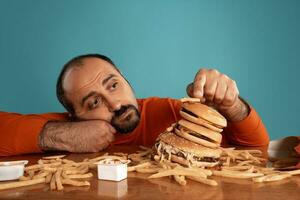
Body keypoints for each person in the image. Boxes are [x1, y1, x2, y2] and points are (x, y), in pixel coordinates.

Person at [0, 54, 269, 156]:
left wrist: (231, 105)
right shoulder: (65, 129)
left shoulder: (174, 113)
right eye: (93, 102)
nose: (115, 103)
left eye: (113, 85)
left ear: (127, 81)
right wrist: (58, 135)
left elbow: (258, 149)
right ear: (74, 115)